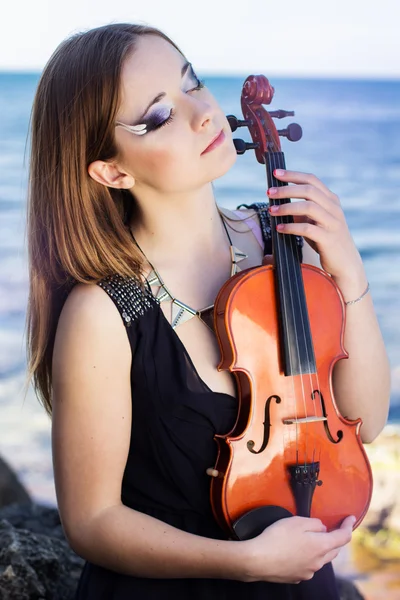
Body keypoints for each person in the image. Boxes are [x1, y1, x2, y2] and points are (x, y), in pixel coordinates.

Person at [26, 23, 390, 600]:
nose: (202, 113)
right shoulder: (103, 312)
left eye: (191, 81)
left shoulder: (281, 240)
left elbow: (364, 421)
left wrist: (348, 272)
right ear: (112, 171)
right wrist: (246, 562)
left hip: (299, 580)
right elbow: (93, 523)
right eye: (157, 115)